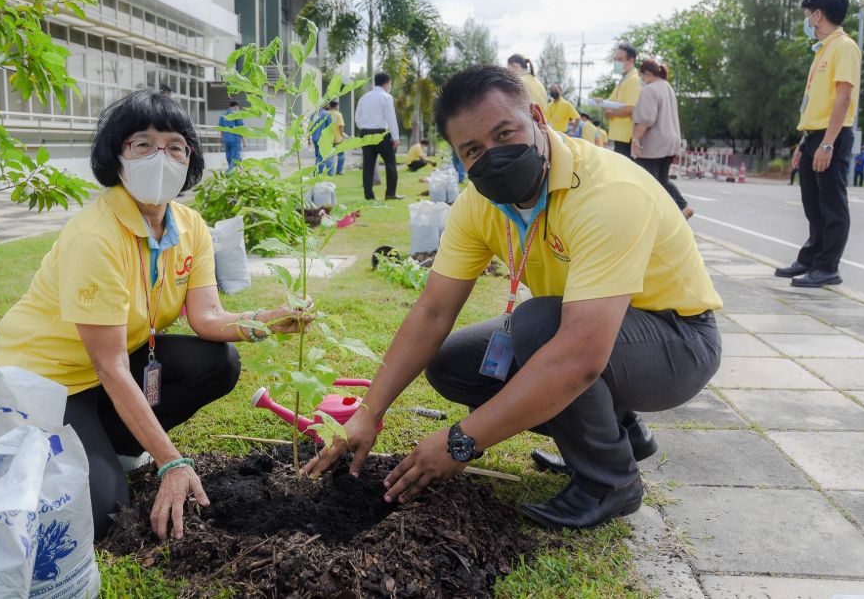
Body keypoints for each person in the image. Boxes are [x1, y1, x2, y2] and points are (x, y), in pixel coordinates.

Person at [305, 66, 722, 530]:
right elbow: (433, 310)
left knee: (540, 328)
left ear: (538, 118)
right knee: (453, 362)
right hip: (590, 327)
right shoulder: (478, 204)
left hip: (677, 340)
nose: (493, 156)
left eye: (506, 133)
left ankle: (610, 481)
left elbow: (580, 354)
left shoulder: (608, 192)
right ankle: (621, 430)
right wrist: (369, 413)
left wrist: (461, 442)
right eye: (473, 150)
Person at [0, 90, 312, 542]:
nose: (161, 156)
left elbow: (207, 317)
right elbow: (111, 366)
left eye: (175, 146)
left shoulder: (190, 226)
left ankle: (111, 444)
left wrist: (266, 320)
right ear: (117, 155)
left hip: (109, 373)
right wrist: (172, 460)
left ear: (189, 159)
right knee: (102, 517)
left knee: (218, 363)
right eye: (143, 144)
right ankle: (72, 448)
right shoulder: (95, 237)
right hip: (50, 381)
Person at [775, 0, 861, 288]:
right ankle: (810, 258)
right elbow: (814, 100)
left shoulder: (845, 47)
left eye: (807, 14)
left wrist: (827, 143)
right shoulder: (823, 49)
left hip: (831, 136)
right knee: (812, 203)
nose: (806, 20)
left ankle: (827, 267)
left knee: (831, 205)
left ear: (818, 14)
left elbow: (843, 96)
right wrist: (804, 142)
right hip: (813, 135)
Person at [632, 60, 694, 220]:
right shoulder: (667, 87)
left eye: (641, 75)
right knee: (662, 179)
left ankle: (654, 215)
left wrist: (636, 138)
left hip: (655, 142)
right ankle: (682, 206)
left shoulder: (649, 90)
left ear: (647, 74)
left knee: (647, 180)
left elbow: (647, 119)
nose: (641, 78)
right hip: (671, 140)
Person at [355, 72, 403, 200]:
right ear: (387, 83)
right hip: (381, 134)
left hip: (365, 133)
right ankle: (390, 193)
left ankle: (369, 197)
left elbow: (357, 118)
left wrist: (364, 128)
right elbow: (391, 118)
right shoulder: (386, 97)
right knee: (390, 163)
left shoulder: (363, 97)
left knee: (368, 166)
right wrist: (396, 138)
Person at [604, 43, 642, 157]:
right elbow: (609, 102)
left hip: (627, 136)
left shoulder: (634, 80)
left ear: (631, 60)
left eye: (620, 59)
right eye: (615, 59)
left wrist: (613, 113)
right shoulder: (624, 80)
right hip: (620, 135)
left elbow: (631, 108)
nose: (616, 62)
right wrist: (601, 102)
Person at [218, 100, 244, 172]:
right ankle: (229, 172)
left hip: (226, 139)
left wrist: (222, 139)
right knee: (235, 156)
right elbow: (241, 129)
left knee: (229, 156)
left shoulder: (223, 115)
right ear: (236, 107)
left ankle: (233, 169)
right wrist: (244, 141)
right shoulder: (236, 115)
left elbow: (221, 129)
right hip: (235, 139)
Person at [310, 105, 334, 175]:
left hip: (314, 138)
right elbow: (330, 127)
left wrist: (309, 139)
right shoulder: (327, 114)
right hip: (323, 138)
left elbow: (310, 127)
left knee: (318, 156)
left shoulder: (313, 115)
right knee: (324, 156)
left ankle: (316, 172)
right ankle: (326, 172)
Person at [327, 100, 347, 175]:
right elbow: (341, 127)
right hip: (338, 138)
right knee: (341, 155)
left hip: (328, 139)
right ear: (335, 106)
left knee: (330, 156)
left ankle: (330, 172)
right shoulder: (338, 114)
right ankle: (339, 170)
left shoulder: (327, 114)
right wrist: (342, 136)